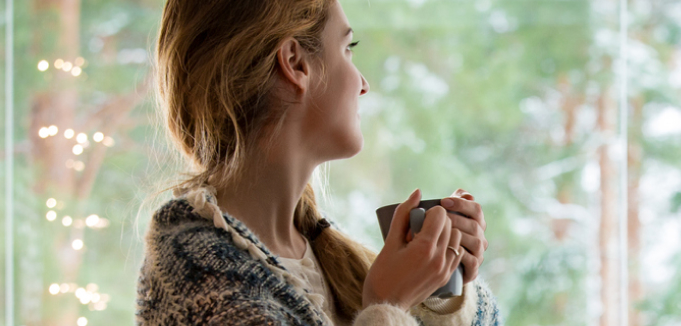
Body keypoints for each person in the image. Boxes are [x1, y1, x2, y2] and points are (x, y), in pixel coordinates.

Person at [135, 0, 502, 325]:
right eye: (348, 48)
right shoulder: (199, 276)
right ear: (295, 63)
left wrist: (440, 288)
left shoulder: (317, 254)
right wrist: (389, 305)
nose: (363, 83)